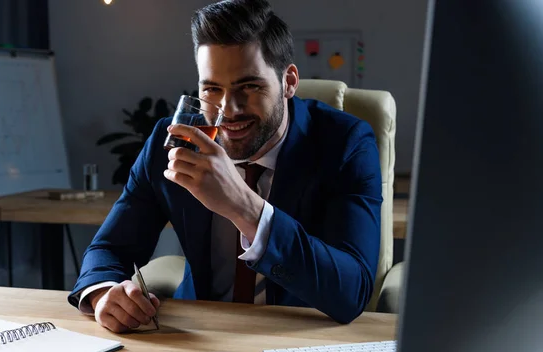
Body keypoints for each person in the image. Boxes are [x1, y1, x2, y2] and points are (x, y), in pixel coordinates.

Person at [68, 0, 382, 333]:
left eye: (249, 87)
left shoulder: (346, 143)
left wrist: (244, 207)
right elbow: (110, 248)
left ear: (289, 82)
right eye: (212, 89)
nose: (228, 110)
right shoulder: (175, 140)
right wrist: (103, 294)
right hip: (197, 334)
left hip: (296, 337)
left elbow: (352, 291)